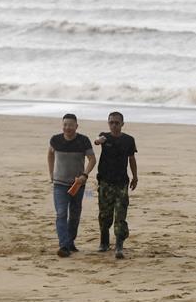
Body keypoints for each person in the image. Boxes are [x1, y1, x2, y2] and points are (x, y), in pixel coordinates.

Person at [47, 114, 95, 258]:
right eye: (65, 125)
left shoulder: (83, 141)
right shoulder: (55, 140)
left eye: (70, 125)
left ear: (76, 126)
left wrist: (84, 175)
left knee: (74, 215)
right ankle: (64, 245)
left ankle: (70, 242)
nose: (67, 128)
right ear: (62, 126)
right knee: (61, 213)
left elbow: (92, 159)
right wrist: (51, 173)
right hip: (59, 184)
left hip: (77, 184)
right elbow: (50, 154)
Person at [93, 111, 138, 259]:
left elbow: (132, 159)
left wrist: (135, 176)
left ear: (122, 124)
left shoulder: (128, 140)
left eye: (117, 123)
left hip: (121, 183)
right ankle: (104, 243)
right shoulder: (104, 137)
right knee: (104, 215)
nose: (114, 125)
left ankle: (119, 245)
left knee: (120, 215)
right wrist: (98, 141)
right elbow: (96, 140)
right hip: (105, 182)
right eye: (111, 122)